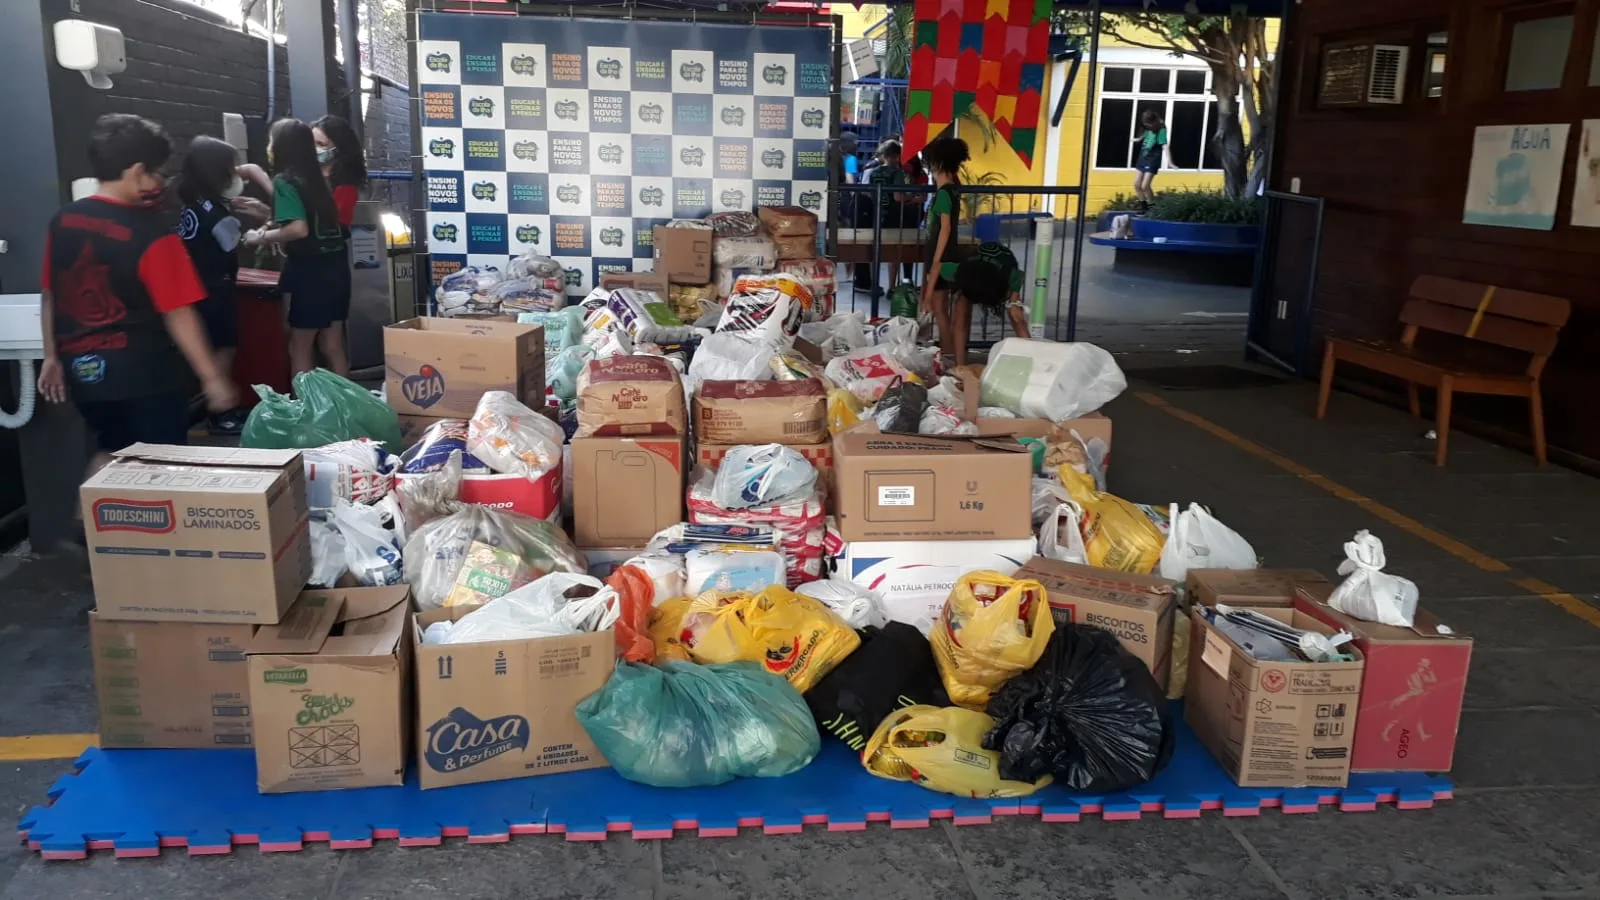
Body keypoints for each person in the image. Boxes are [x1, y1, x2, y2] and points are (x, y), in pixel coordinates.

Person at [36, 114, 237, 471]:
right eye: (159, 174)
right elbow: (179, 313)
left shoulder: (63, 221)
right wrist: (212, 377)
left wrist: (51, 357)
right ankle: (145, 525)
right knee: (160, 463)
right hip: (145, 373)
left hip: (82, 373)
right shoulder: (153, 233)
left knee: (111, 450)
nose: (160, 183)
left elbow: (50, 293)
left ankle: (87, 524)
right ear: (138, 171)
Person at [244, 118, 351, 378]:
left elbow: (298, 228)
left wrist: (259, 237)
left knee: (299, 347)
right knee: (333, 345)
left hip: (310, 272)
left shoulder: (285, 181)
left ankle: (306, 412)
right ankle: (348, 409)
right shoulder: (319, 179)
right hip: (336, 267)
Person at [173, 135, 259, 435]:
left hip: (197, 284)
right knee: (223, 347)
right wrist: (260, 222)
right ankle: (221, 412)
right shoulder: (215, 212)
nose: (236, 174)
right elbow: (234, 241)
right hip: (216, 287)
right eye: (231, 168)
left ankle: (212, 406)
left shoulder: (191, 202)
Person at [919, 136, 970, 361]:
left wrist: (935, 262)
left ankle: (948, 357)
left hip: (942, 253)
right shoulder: (953, 189)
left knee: (939, 310)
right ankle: (949, 355)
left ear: (938, 164)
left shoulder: (943, 194)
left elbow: (945, 228)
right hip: (949, 253)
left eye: (930, 163)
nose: (928, 168)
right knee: (942, 310)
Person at [951, 242, 1031, 368]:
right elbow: (937, 268)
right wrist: (927, 298)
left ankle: (1030, 358)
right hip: (973, 274)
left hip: (1001, 272)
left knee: (1015, 316)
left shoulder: (1010, 276)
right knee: (960, 313)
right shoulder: (961, 271)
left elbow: (1018, 276)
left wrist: (1014, 302)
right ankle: (959, 366)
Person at [312, 114, 368, 228]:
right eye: (310, 142)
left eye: (320, 144)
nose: (313, 148)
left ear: (338, 148)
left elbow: (335, 222)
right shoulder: (305, 172)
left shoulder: (346, 186)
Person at [1133, 109, 1167, 206]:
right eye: (1145, 124)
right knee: (1136, 184)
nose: (1147, 126)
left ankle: (1152, 206)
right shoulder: (1147, 126)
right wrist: (1138, 139)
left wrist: (1170, 162)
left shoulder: (1161, 128)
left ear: (1153, 122)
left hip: (1153, 159)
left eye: (1148, 124)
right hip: (1143, 156)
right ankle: (1143, 206)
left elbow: (1164, 145)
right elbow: (1144, 134)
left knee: (1145, 186)